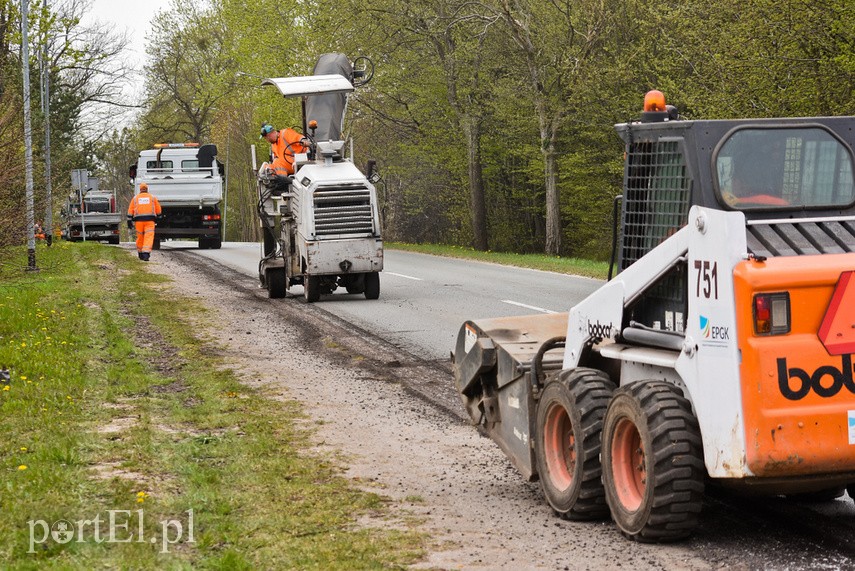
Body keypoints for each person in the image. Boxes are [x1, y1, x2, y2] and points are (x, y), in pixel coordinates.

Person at [127, 183, 162, 261]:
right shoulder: (152, 198)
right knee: (148, 237)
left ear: (140, 189)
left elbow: (130, 209)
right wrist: (159, 217)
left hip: (138, 222)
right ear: (147, 189)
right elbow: (158, 209)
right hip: (150, 221)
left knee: (140, 237)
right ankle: (146, 254)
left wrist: (129, 220)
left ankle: (140, 253)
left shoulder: (135, 198)